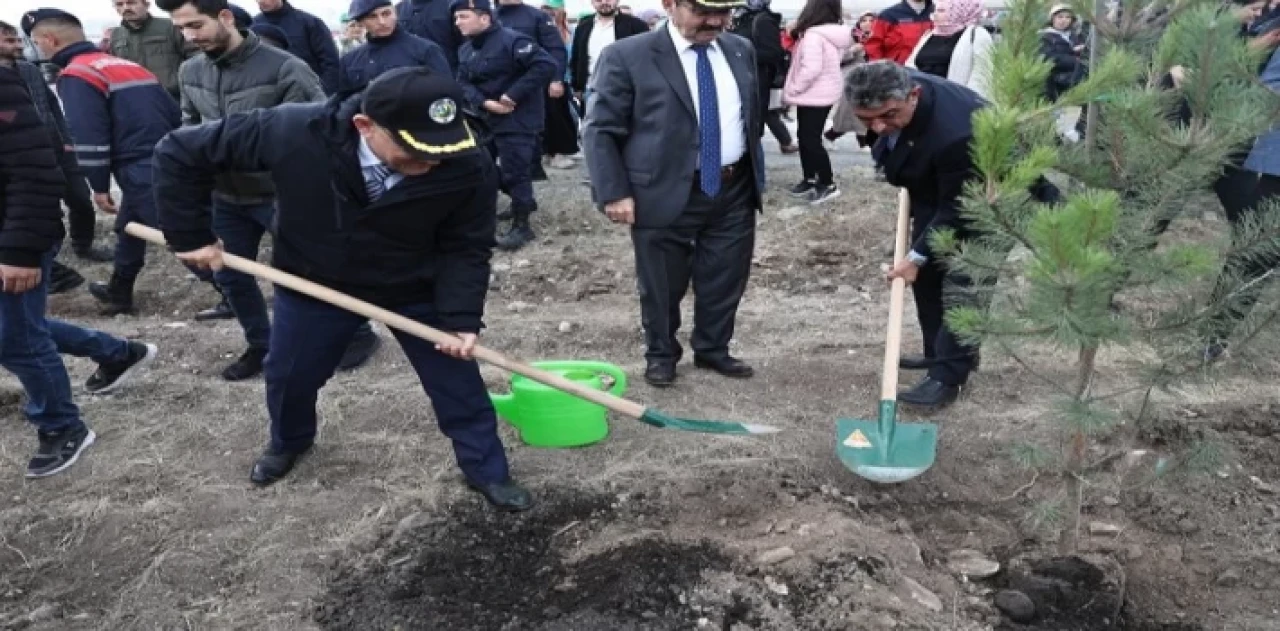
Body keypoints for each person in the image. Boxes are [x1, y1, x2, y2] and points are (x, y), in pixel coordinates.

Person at [152, 68, 533, 510]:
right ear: (365, 126)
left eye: (441, 149)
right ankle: (289, 441)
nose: (431, 162)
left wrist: (462, 319)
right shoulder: (295, 130)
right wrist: (188, 235)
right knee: (291, 374)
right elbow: (179, 151)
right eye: (415, 150)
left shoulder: (465, 160)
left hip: (415, 285)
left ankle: (487, 469)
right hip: (315, 279)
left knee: (456, 382)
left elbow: (466, 246)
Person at [160, 0, 381, 380]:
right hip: (226, 197)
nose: (189, 36)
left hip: (280, 194)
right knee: (231, 275)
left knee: (314, 270)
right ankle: (261, 344)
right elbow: (189, 127)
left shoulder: (285, 68)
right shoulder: (190, 70)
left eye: (196, 25)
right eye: (181, 28)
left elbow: (317, 134)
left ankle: (357, 331)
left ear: (225, 17)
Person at [584, 0, 765, 387]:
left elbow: (748, 113)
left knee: (725, 275)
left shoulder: (739, 48)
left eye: (725, 11)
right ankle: (661, 354)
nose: (715, 20)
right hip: (660, 189)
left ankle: (713, 349)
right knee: (662, 282)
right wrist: (613, 192)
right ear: (670, 4)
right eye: (702, 10)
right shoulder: (626, 56)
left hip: (733, 187)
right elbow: (600, 129)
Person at [0, 61, 158, 479]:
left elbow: (34, 170)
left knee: (16, 337)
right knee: (18, 327)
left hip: (14, 237)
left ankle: (62, 427)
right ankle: (118, 353)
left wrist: (19, 250)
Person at [23, 9, 181, 317]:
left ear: (49, 40)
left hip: (138, 165)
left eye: (35, 42)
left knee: (180, 234)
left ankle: (231, 290)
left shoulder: (76, 74)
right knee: (130, 228)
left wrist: (97, 184)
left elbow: (89, 134)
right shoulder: (126, 64)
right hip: (164, 155)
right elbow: (171, 111)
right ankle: (119, 290)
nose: (36, 49)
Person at [847, 61, 986, 408]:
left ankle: (947, 377)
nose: (879, 127)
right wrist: (919, 259)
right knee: (927, 277)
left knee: (964, 284)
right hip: (937, 187)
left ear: (914, 96)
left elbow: (957, 209)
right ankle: (937, 356)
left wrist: (915, 256)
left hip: (987, 197)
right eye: (867, 119)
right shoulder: (892, 93)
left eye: (889, 115)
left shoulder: (957, 131)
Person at [0, 21, 111, 295]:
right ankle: (50, 262)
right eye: (8, 41)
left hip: (56, 148)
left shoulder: (29, 70)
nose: (16, 46)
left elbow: (52, 106)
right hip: (22, 155)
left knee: (81, 200)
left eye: (17, 41)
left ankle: (83, 245)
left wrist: (66, 139)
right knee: (44, 211)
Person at [454, 0, 557, 251]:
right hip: (486, 118)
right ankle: (521, 201)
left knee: (516, 171)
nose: (458, 23)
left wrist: (512, 96)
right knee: (482, 166)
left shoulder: (513, 41)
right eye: (456, 18)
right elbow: (462, 82)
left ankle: (522, 225)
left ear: (484, 18)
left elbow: (545, 65)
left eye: (463, 16)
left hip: (517, 118)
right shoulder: (466, 50)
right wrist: (486, 103)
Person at [782, 0, 850, 204]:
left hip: (813, 94)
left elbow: (811, 69)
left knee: (810, 140)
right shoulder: (831, 33)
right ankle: (810, 178)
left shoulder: (813, 36)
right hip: (822, 92)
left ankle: (827, 184)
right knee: (806, 137)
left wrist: (793, 89)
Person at [497, 0, 569, 183]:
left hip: (532, 83)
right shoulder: (488, 16)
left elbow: (555, 49)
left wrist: (556, 78)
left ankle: (532, 170)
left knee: (532, 129)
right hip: (498, 84)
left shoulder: (537, 16)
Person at [339, 0, 450, 94]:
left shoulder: (425, 50)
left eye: (386, 14)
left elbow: (445, 93)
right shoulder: (350, 61)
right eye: (372, 17)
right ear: (361, 22)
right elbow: (342, 100)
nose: (382, 22)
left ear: (395, 13)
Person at [568, 0, 649, 109]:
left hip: (625, 91)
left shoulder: (636, 26)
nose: (604, 2)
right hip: (590, 90)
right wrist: (577, 87)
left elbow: (646, 60)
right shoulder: (584, 25)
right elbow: (577, 57)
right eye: (599, 0)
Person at [905, 0, 994, 99]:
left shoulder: (977, 34)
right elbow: (911, 64)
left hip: (955, 102)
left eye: (941, 11)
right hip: (924, 101)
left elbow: (981, 75)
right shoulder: (929, 34)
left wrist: (968, 103)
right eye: (935, 10)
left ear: (959, 12)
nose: (935, 14)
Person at [108, 0, 196, 100]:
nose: (126, 8)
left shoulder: (170, 26)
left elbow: (194, 57)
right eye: (119, 4)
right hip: (136, 100)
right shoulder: (116, 35)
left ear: (146, 4)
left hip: (173, 98)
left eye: (131, 3)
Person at [253, 0, 341, 94]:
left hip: (309, 95)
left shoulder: (310, 23)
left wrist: (323, 96)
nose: (261, 1)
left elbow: (331, 64)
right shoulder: (251, 27)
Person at [395, 0, 465, 72]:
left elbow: (465, 43)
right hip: (409, 76)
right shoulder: (399, 9)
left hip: (445, 72)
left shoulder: (451, 5)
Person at [864, 0, 933, 64]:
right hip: (897, 72)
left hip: (932, 72)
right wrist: (879, 70)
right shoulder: (888, 15)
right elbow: (873, 45)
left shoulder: (938, 13)